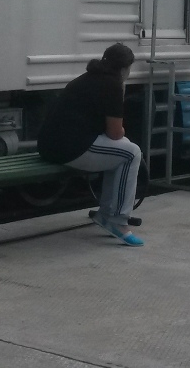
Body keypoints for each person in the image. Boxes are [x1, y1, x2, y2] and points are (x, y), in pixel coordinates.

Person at [37, 42, 144, 246]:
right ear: (124, 68)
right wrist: (122, 131)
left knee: (124, 150)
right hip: (70, 148)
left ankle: (107, 213)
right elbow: (115, 133)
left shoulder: (88, 77)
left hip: (50, 144)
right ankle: (117, 220)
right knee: (131, 153)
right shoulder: (112, 85)